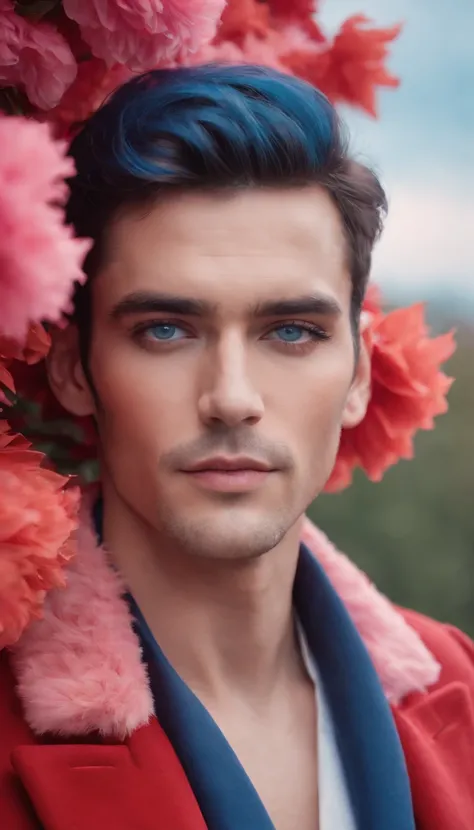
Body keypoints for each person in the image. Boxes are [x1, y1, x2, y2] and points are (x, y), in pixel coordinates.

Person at [1, 65, 473, 830]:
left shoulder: (461, 683)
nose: (231, 397)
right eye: (165, 329)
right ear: (74, 369)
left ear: (359, 370)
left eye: (291, 331)